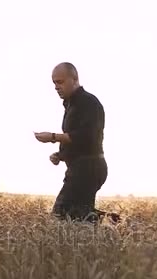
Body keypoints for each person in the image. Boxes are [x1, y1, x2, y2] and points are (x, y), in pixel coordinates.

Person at [34, 62, 119, 224]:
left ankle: (119, 224)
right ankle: (118, 223)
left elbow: (87, 136)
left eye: (60, 82)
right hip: (82, 167)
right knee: (80, 215)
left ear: (74, 79)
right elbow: (77, 142)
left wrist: (53, 137)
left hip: (89, 168)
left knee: (61, 213)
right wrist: (60, 155)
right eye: (54, 83)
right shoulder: (71, 105)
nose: (56, 87)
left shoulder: (88, 102)